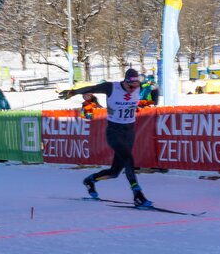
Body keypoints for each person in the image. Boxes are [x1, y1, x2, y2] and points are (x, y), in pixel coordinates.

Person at [58, 68, 153, 208]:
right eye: (130, 87)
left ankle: (90, 180)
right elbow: (92, 88)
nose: (132, 90)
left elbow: (151, 94)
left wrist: (150, 95)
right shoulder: (111, 87)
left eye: (135, 86)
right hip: (114, 132)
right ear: (125, 82)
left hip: (129, 131)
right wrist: (72, 92)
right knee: (128, 158)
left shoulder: (138, 87)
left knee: (114, 172)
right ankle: (137, 194)